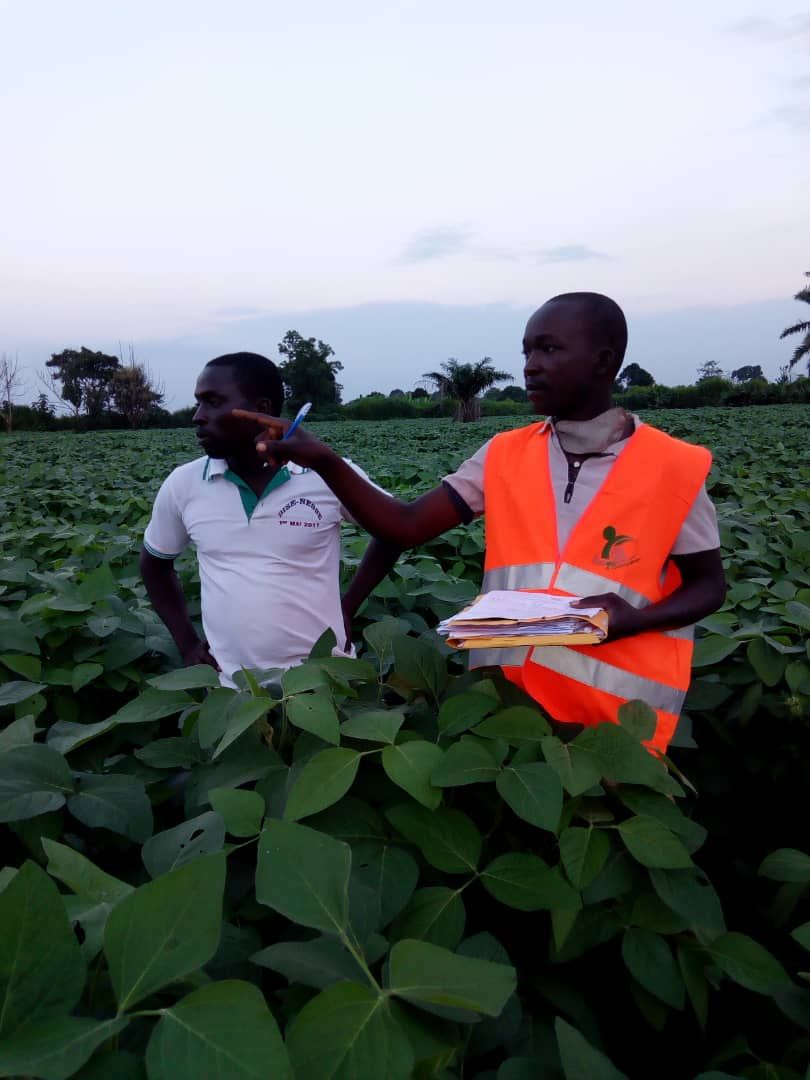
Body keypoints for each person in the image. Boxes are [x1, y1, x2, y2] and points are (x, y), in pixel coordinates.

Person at [235, 294, 727, 753]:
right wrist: (325, 460)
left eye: (549, 349)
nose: (531, 365)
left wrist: (636, 620)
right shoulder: (504, 454)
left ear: (604, 360)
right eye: (527, 350)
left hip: (613, 730)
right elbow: (404, 527)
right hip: (503, 710)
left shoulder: (672, 466)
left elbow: (709, 588)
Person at [140, 352, 397, 687]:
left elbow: (393, 530)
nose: (198, 417)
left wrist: (347, 606)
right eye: (199, 403)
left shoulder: (325, 473)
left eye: (213, 402)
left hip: (322, 680)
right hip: (231, 689)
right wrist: (188, 645)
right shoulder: (184, 484)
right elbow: (154, 564)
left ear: (261, 411)